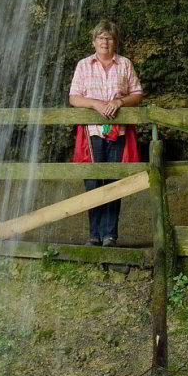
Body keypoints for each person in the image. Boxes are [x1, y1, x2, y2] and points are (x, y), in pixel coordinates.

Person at [68, 20, 143, 247]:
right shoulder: (83, 65)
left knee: (113, 181)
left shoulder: (125, 64)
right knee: (92, 182)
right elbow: (74, 98)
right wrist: (96, 104)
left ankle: (110, 235)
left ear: (115, 42)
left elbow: (138, 94)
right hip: (92, 133)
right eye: (101, 37)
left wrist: (119, 102)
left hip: (118, 132)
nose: (105, 41)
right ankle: (94, 234)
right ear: (94, 42)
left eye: (109, 38)